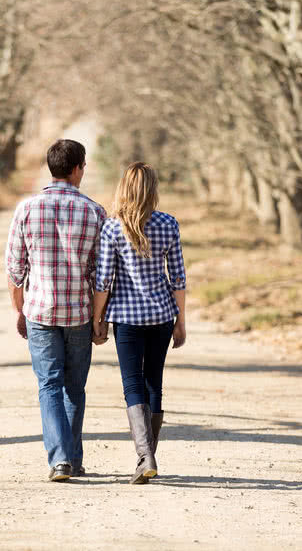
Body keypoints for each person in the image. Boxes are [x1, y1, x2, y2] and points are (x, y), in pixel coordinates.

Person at [5, 139, 107, 482]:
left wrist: (19, 310)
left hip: (40, 312)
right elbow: (100, 273)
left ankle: (61, 460)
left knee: (49, 385)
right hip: (78, 313)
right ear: (78, 168)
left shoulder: (27, 209)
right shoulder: (94, 212)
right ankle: (72, 459)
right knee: (74, 388)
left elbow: (15, 269)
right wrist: (99, 319)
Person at [93, 161, 187, 484]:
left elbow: (103, 280)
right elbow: (177, 278)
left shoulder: (112, 227)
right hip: (162, 315)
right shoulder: (168, 224)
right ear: (152, 190)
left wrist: (97, 319)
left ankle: (146, 457)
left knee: (133, 384)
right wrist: (181, 321)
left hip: (127, 320)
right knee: (154, 382)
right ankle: (148, 457)